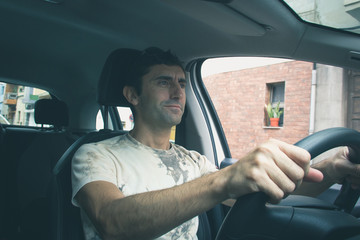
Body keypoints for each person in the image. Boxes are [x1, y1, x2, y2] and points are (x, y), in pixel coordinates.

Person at [71, 47, 360, 240]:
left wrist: (331, 169)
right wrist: (223, 181)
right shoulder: (95, 154)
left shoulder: (194, 161)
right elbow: (111, 222)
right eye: (163, 82)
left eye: (182, 83)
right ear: (133, 95)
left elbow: (269, 195)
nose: (177, 92)